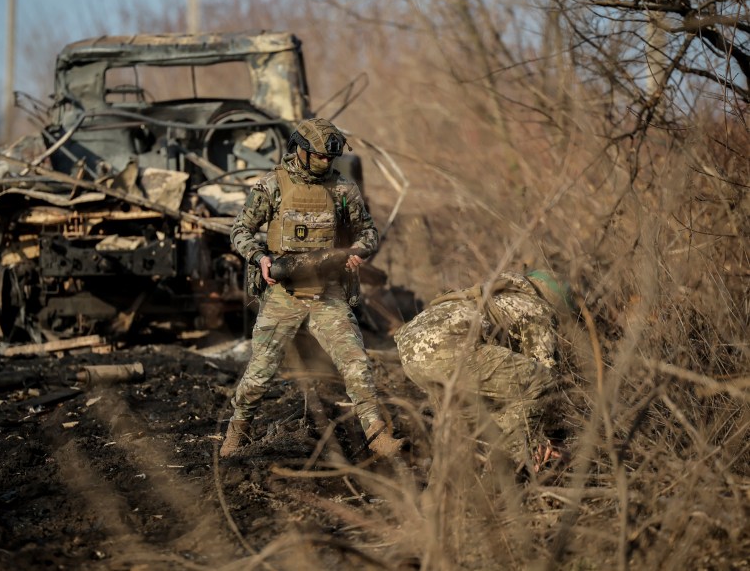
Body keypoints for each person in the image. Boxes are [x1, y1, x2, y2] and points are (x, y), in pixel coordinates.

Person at [220, 118, 402, 459]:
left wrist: (357, 252)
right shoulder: (273, 185)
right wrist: (259, 258)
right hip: (282, 296)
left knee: (356, 365)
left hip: (327, 294)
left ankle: (377, 434)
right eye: (319, 156)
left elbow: (369, 233)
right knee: (259, 376)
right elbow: (240, 230)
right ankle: (237, 431)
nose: (325, 162)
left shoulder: (343, 189)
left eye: (330, 158)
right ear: (301, 151)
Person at [394, 270, 574, 472]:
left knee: (461, 422)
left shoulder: (493, 295)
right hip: (449, 348)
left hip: (410, 353)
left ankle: (440, 492)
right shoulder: (536, 307)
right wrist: (555, 437)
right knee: (539, 380)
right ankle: (504, 472)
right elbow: (547, 376)